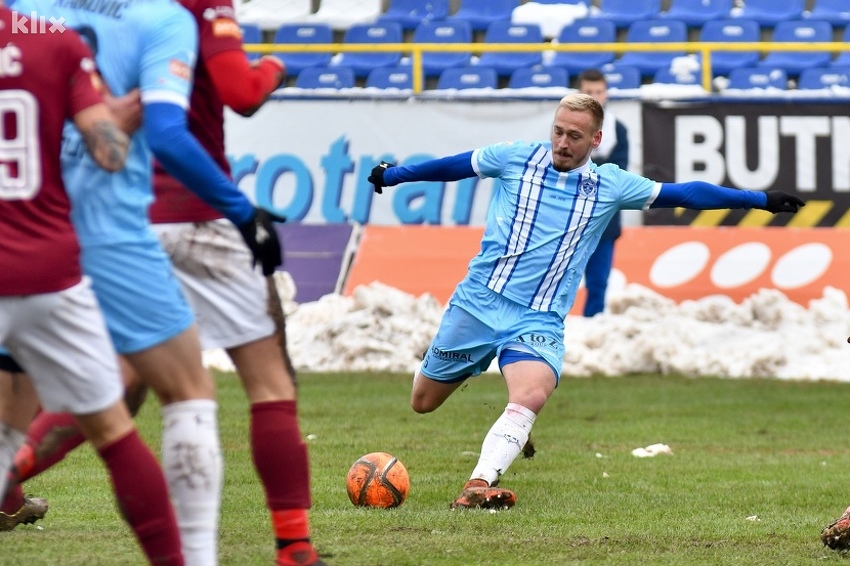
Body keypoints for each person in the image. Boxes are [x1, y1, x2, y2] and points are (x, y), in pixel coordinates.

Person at [367, 93, 805, 509]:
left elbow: (684, 193)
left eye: (574, 136)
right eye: (558, 131)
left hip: (537, 319)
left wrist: (760, 200)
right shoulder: (513, 157)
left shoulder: (609, 185)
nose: (562, 142)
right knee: (422, 402)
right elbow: (454, 167)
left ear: (595, 140)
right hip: (476, 305)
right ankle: (473, 369)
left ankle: (479, 484)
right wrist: (393, 174)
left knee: (532, 394)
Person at [0, 1, 285, 564]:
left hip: (27, 240)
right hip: (93, 242)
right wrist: (240, 209)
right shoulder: (154, 20)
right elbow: (144, 140)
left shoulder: (28, 13)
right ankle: (203, 557)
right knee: (174, 398)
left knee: (12, 421)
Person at [0, 6, 185, 564]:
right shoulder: (55, 43)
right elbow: (109, 153)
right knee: (113, 427)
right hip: (46, 271)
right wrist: (118, 117)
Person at [576, 69, 628, 317]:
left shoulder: (619, 129)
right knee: (556, 284)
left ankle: (590, 328)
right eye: (588, 92)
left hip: (604, 219)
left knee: (598, 283)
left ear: (606, 94)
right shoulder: (566, 127)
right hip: (568, 217)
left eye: (598, 92)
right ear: (579, 94)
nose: (594, 97)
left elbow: (618, 175)